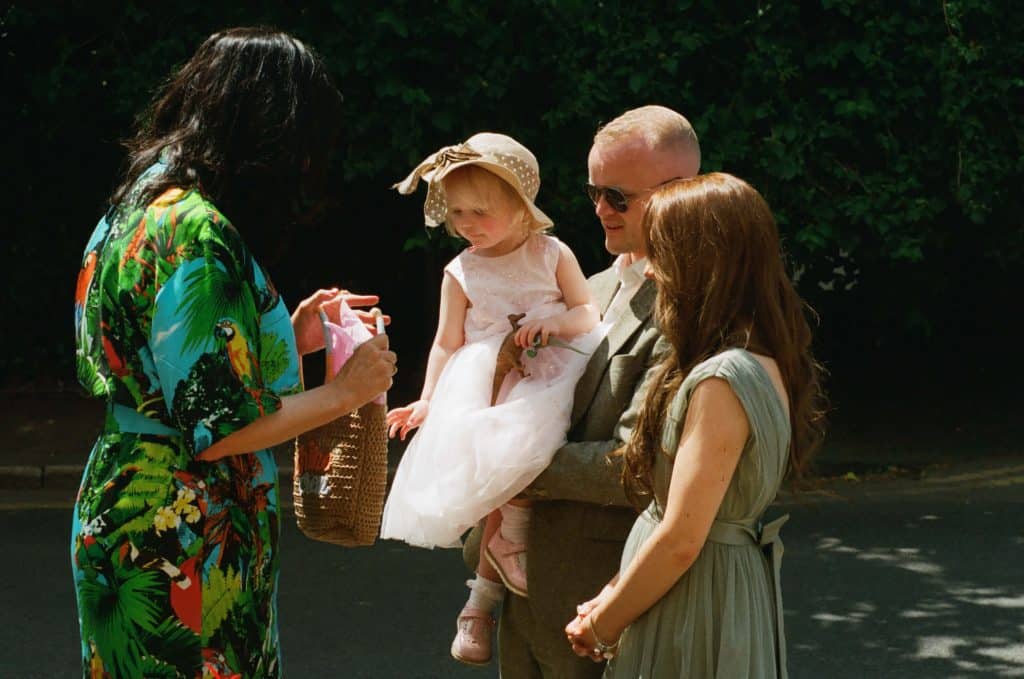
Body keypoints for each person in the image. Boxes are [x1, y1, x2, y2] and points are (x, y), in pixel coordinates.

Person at [71, 28, 396, 678]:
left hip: (136, 505)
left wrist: (291, 334)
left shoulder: (137, 208)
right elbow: (221, 428)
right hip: (182, 530)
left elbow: (161, 365)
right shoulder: (197, 230)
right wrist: (347, 391)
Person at [459, 105, 701, 678]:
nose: (598, 210)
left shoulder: (694, 312)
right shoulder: (581, 291)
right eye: (594, 191)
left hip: (603, 615)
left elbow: (637, 466)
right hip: (519, 606)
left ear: (678, 192)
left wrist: (510, 464)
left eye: (617, 196)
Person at [564, 173, 826, 678]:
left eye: (661, 255)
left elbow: (683, 537)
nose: (654, 273)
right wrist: (613, 595)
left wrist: (604, 626)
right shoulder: (757, 358)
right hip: (699, 589)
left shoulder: (723, 378)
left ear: (701, 265)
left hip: (697, 600)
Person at [380, 132, 603, 666]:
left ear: (521, 209)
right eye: (457, 213)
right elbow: (447, 341)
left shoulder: (551, 252)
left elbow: (588, 313)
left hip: (550, 363)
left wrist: (554, 320)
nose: (467, 225)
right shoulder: (461, 271)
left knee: (526, 440)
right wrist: (429, 399)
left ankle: (485, 591)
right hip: (485, 374)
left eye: (481, 211)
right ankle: (495, 568)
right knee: (497, 447)